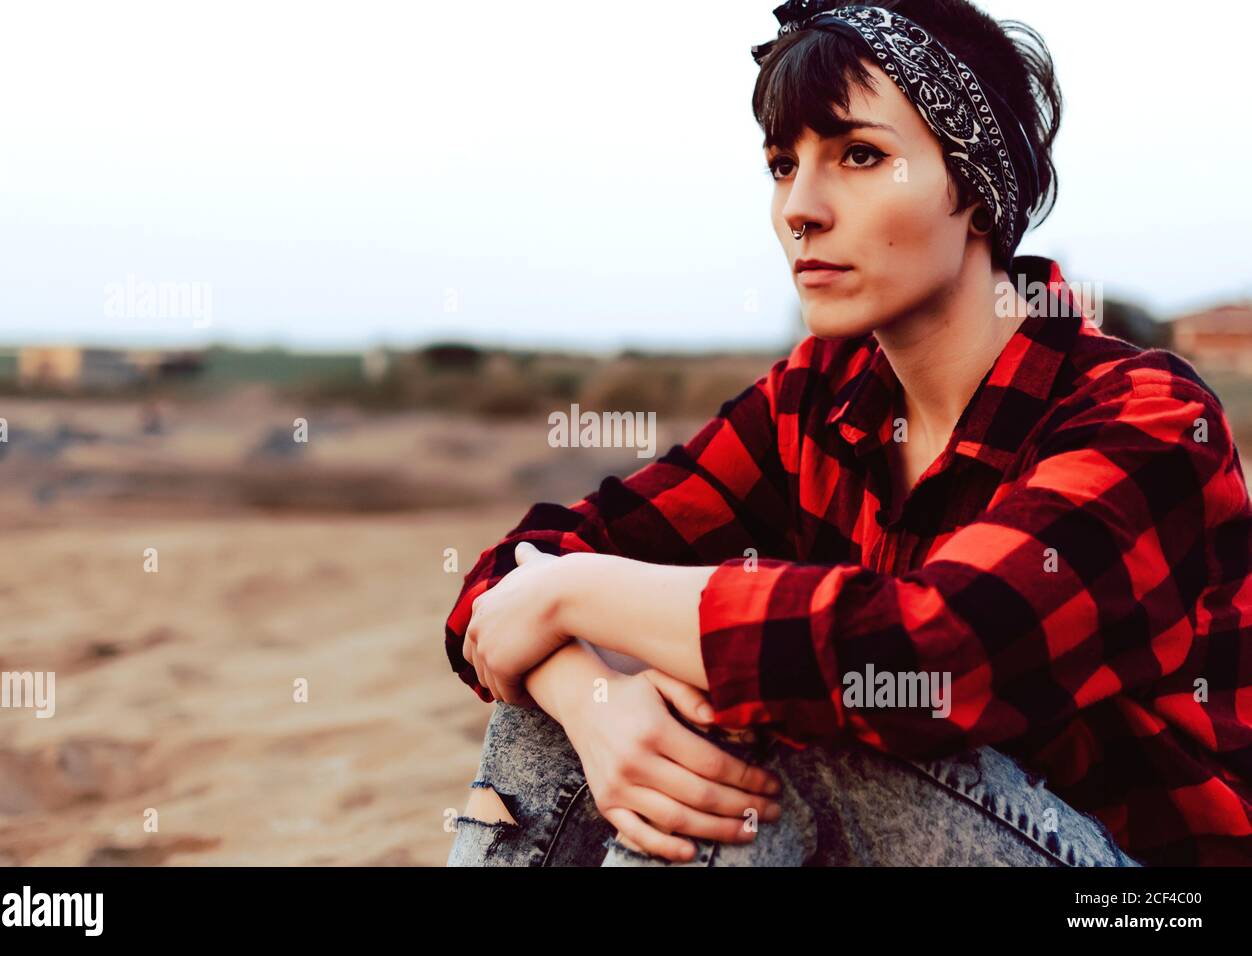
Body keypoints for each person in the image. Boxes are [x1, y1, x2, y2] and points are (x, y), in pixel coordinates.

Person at [443, 0, 1252, 867]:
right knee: (552, 707)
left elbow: (930, 660)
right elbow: (508, 586)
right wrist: (593, 699)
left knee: (781, 711)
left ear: (975, 188)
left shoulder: (1147, 415)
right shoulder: (817, 397)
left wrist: (575, 593)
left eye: (860, 156)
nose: (801, 208)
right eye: (783, 165)